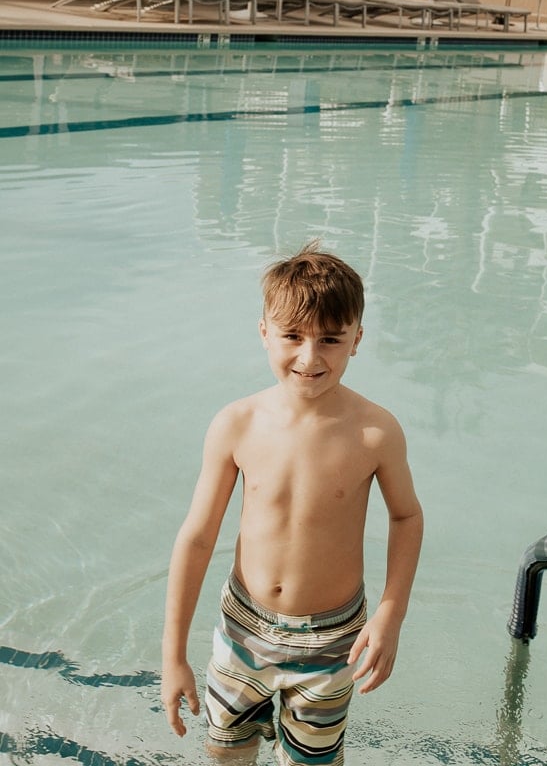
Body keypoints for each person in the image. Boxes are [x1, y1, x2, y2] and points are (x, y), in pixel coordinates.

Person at [161, 243, 423, 765]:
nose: (309, 357)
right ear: (264, 333)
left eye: (330, 339)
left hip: (333, 641)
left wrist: (390, 617)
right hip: (243, 628)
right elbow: (197, 536)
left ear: (357, 341)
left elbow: (406, 516)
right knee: (226, 754)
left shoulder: (375, 432)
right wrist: (173, 657)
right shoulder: (237, 424)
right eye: (292, 337)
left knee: (315, 761)